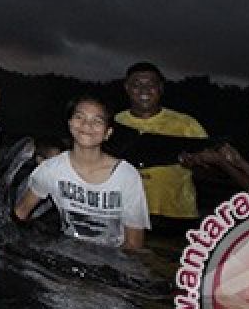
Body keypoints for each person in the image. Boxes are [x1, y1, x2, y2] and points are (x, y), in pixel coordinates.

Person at [14, 95, 150, 250]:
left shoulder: (127, 176)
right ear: (70, 124)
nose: (87, 124)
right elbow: (21, 212)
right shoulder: (51, 169)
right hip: (69, 252)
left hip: (113, 259)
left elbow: (134, 243)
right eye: (80, 117)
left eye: (97, 121)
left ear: (108, 133)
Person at [114, 62, 207, 226]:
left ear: (161, 88)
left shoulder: (187, 124)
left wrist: (195, 165)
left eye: (151, 84)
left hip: (176, 215)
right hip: (125, 214)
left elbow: (209, 170)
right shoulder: (113, 123)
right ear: (127, 87)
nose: (144, 90)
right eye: (137, 85)